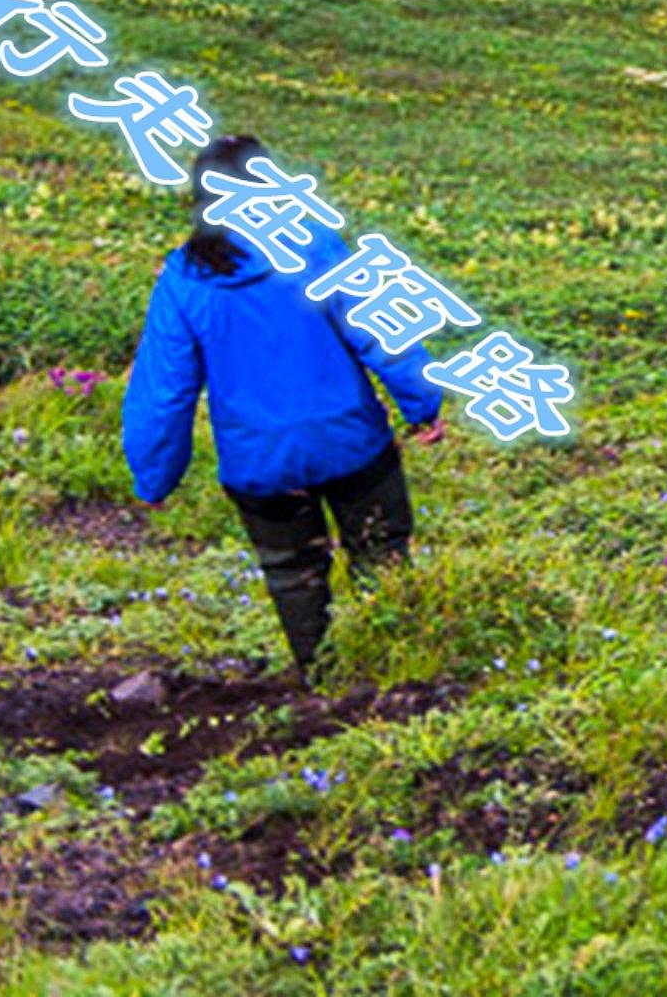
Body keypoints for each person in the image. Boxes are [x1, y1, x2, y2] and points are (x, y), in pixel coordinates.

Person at [122, 135, 442, 685]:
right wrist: (423, 405)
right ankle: (397, 678)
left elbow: (164, 392)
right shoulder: (316, 249)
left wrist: (154, 476)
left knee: (293, 575)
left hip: (259, 464)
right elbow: (379, 333)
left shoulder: (182, 279)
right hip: (352, 444)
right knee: (381, 556)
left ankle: (325, 686)